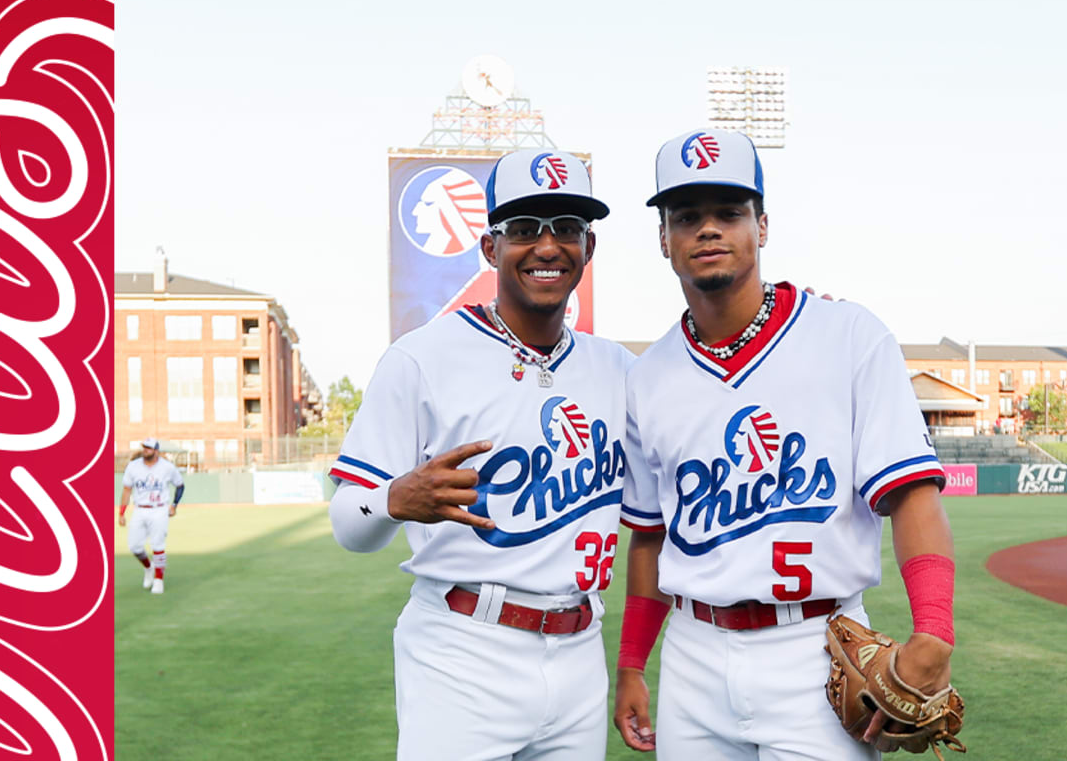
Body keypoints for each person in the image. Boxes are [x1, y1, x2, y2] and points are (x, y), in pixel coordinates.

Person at [612, 129, 957, 760]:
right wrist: (634, 661)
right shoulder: (649, 376)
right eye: (687, 216)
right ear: (664, 239)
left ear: (762, 226)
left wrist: (933, 632)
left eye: (729, 212)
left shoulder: (848, 335)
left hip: (817, 650)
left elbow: (911, 495)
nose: (708, 230)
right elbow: (649, 535)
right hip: (692, 654)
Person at [328, 149, 634, 760]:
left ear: (588, 248)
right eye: (524, 230)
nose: (547, 247)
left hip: (580, 647)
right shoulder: (421, 358)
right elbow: (347, 525)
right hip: (462, 651)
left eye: (566, 229)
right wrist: (393, 499)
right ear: (491, 249)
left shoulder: (619, 369)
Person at [119, 438, 183, 594]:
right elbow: (127, 490)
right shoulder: (133, 467)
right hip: (140, 509)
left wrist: (174, 505)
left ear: (156, 451)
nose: (145, 450)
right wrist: (121, 512)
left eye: (149, 448)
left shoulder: (167, 467)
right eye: (144, 447)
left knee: (157, 545)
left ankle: (158, 580)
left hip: (159, 509)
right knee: (134, 546)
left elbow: (180, 485)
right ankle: (149, 568)